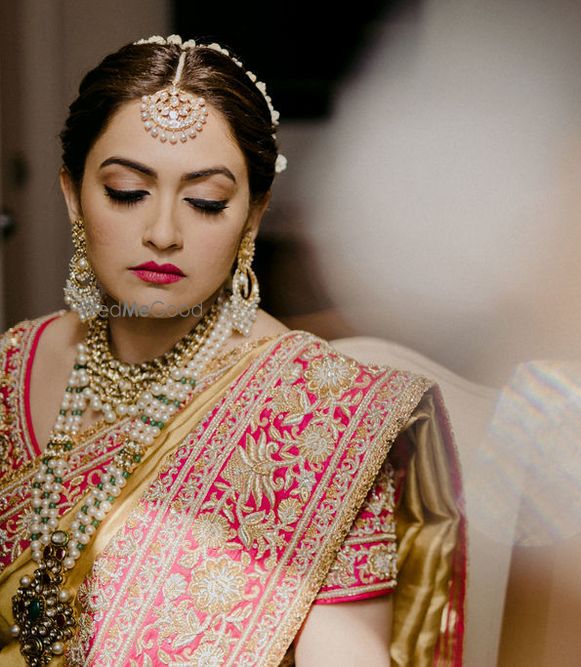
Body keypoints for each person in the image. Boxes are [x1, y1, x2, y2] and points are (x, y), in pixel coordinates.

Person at [0, 35, 465, 666]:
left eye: (205, 202)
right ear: (72, 195)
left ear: (252, 215)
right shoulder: (9, 368)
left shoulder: (324, 417)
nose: (163, 232)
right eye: (127, 192)